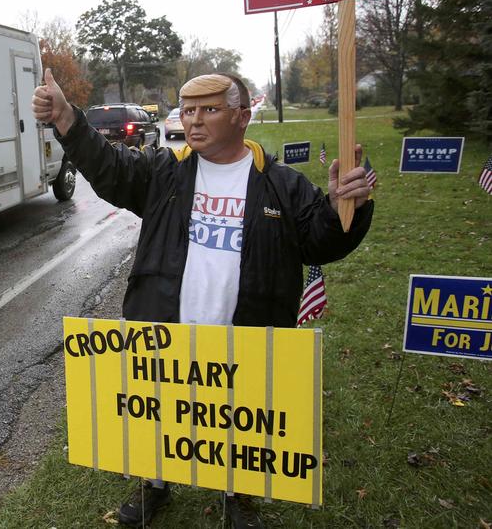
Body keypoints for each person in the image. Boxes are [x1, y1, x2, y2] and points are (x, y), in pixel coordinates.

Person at [32, 70, 373, 529]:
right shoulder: (163, 172)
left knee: (242, 417)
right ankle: (154, 484)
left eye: (209, 109)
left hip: (246, 335)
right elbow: (110, 167)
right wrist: (67, 118)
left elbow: (321, 243)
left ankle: (240, 494)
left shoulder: (283, 186)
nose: (194, 121)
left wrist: (344, 207)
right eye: (188, 110)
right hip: (166, 332)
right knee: (158, 411)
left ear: (243, 117)